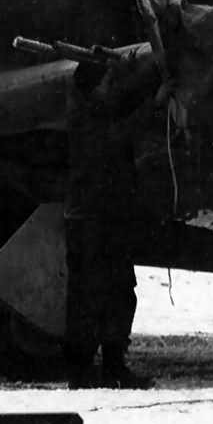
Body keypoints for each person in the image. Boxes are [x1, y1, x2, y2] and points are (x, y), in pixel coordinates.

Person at [63, 61, 152, 389]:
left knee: (108, 295)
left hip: (96, 219)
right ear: (94, 89)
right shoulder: (88, 120)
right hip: (95, 221)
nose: (112, 88)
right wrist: (157, 102)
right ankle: (92, 369)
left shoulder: (89, 109)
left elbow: (121, 108)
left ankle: (101, 367)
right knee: (100, 296)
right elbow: (120, 136)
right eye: (107, 82)